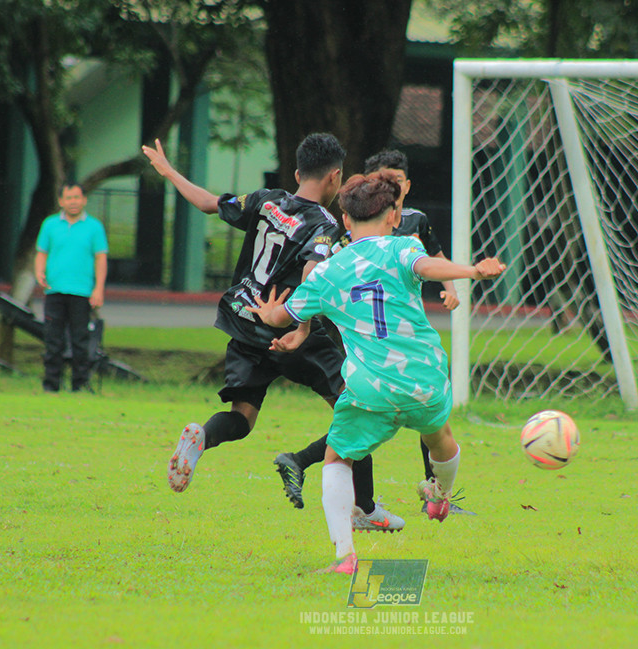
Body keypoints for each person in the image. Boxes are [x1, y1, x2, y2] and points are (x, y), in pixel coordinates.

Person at [140, 133, 404, 533]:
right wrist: (301, 328)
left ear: (298, 173)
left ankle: (201, 438)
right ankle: (364, 509)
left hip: (243, 320)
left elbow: (209, 203)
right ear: (335, 177)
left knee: (242, 418)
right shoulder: (325, 224)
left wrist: (170, 171)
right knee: (358, 408)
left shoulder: (265, 200)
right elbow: (313, 272)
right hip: (284, 324)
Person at [248, 171, 505, 573]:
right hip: (425, 379)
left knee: (337, 459)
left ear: (345, 222)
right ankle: (439, 494)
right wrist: (472, 271)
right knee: (440, 438)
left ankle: (345, 558)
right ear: (393, 216)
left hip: (371, 388)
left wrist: (270, 314)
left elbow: (282, 315)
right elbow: (427, 267)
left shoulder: (328, 270)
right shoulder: (403, 248)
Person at [273, 149, 472, 514]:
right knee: (402, 424)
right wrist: (303, 325)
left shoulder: (416, 223)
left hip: (384, 358)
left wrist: (453, 285)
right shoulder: (366, 237)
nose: (391, 186)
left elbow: (433, 261)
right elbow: (313, 274)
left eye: (396, 181)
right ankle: (382, 503)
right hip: (387, 352)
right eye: (384, 180)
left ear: (405, 188)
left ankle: (366, 507)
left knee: (358, 429)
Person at [34, 182, 108, 393]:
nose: (73, 202)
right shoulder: (50, 224)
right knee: (53, 340)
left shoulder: (94, 227)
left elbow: (100, 258)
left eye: (77, 198)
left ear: (84, 200)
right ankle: (51, 385)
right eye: (69, 198)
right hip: (54, 290)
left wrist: (98, 289)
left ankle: (80, 385)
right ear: (61, 201)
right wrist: (39, 272)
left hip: (82, 292)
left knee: (80, 340)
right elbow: (42, 253)